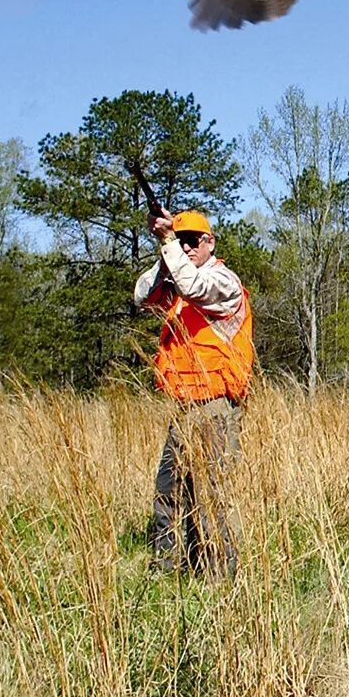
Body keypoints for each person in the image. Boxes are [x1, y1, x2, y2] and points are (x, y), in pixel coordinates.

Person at [133, 208, 254, 577]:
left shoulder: (223, 282)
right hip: (183, 408)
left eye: (192, 241)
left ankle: (221, 576)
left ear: (210, 242)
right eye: (179, 240)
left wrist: (170, 242)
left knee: (213, 494)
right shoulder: (176, 286)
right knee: (169, 490)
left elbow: (194, 286)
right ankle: (167, 569)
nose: (185, 247)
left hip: (216, 407)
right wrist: (164, 252)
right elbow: (142, 295)